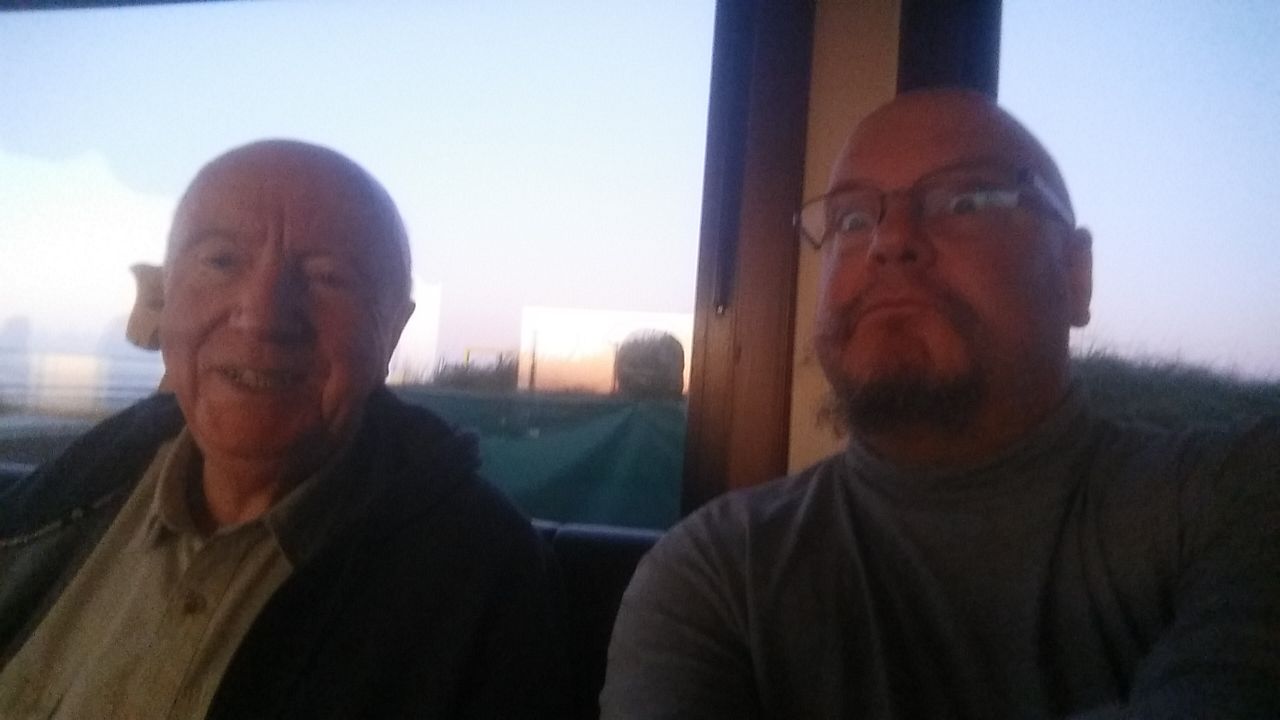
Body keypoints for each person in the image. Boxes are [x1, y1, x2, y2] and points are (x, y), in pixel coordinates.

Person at [600, 89, 1280, 718]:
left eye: (965, 201)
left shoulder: (1243, 495)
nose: (889, 240)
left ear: (1076, 276)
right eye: (853, 218)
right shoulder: (716, 571)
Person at [0, 140, 566, 719]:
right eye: (222, 261)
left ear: (393, 330)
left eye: (328, 277)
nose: (263, 315)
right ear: (165, 302)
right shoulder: (74, 487)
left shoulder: (476, 577)